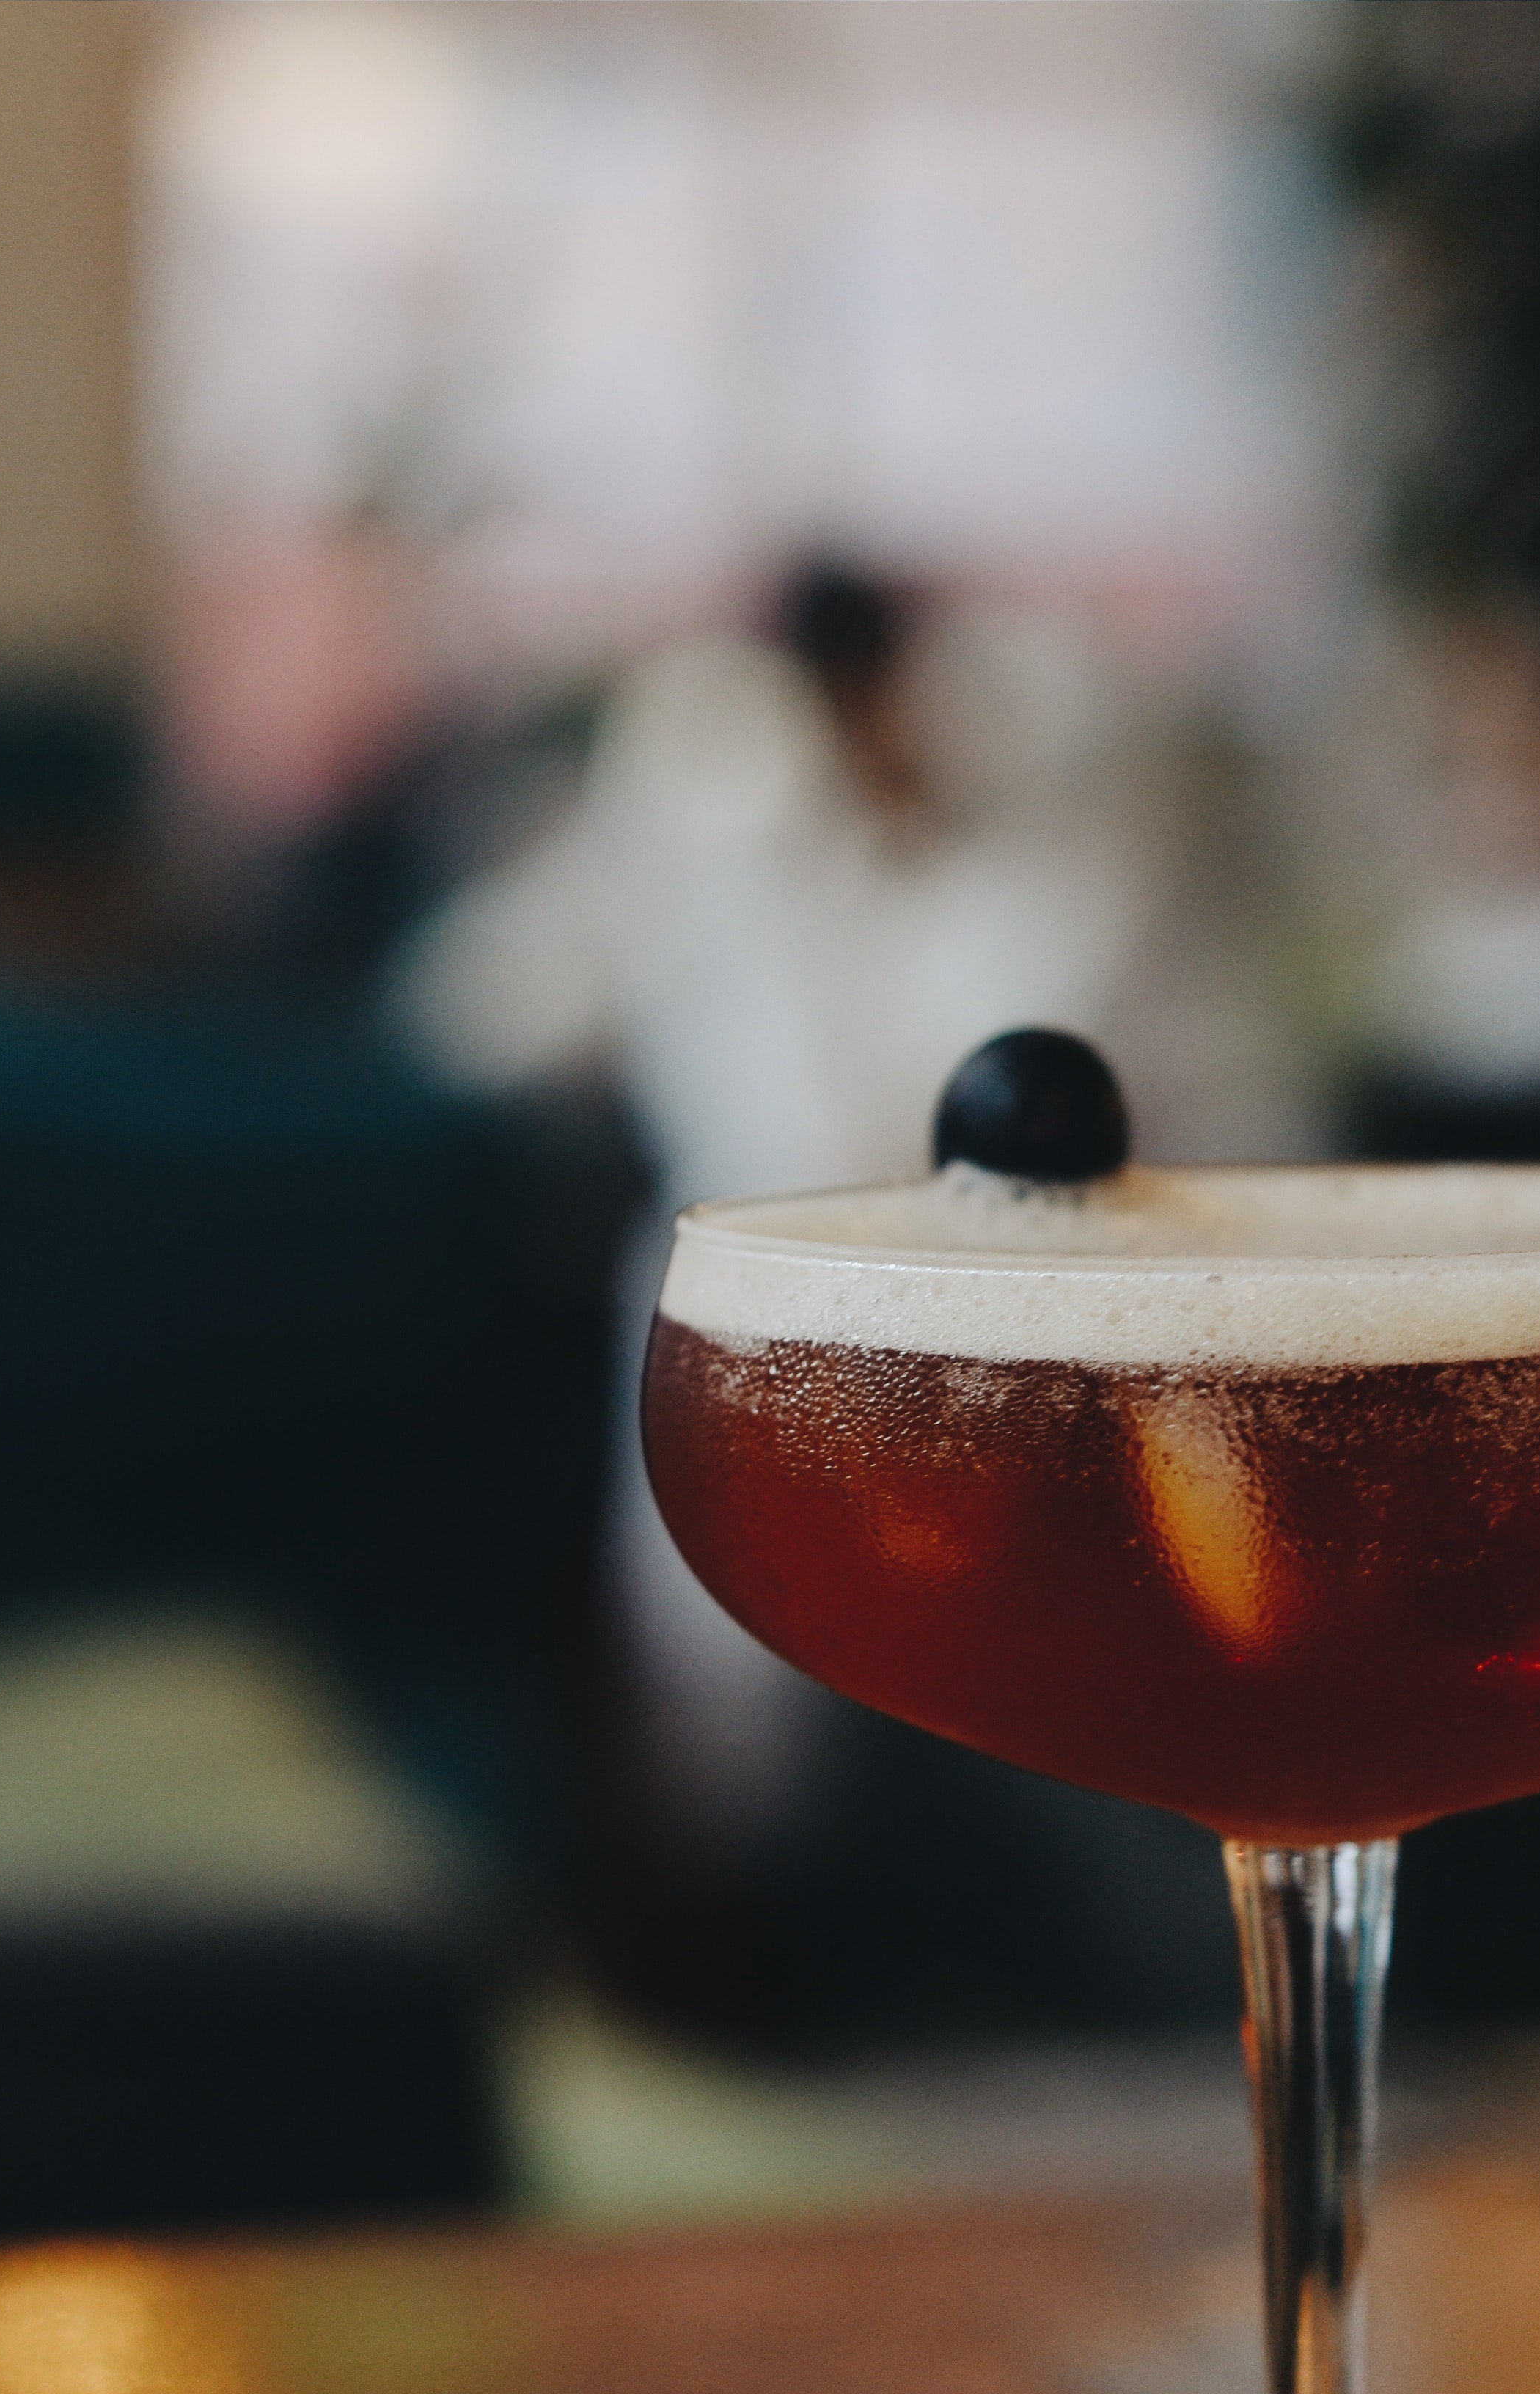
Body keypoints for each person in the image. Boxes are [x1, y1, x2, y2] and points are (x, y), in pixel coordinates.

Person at [394, 558, 1293, 2035]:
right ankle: (753, 1994)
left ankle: (1134, 1996)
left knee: (1070, 1764)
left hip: (1057, 1362)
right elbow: (483, 1006)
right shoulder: (702, 849)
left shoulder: (1074, 859)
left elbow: (1232, 1094)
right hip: (748, 1359)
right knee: (739, 1755)